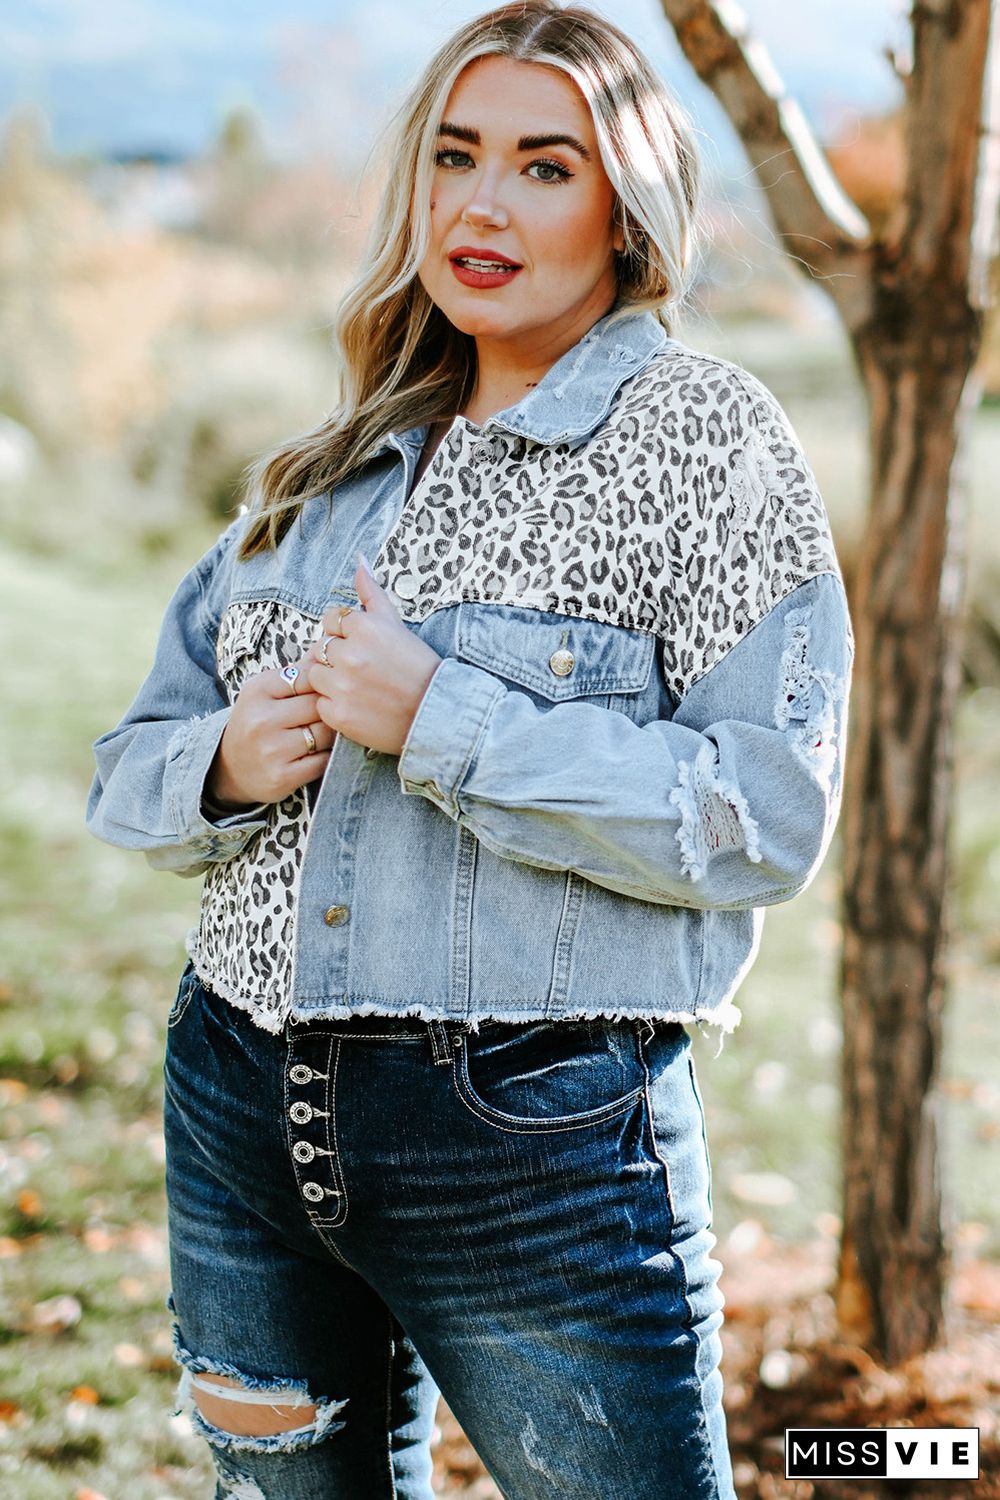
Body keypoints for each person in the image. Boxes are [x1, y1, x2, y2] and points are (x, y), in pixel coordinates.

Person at [86, 2, 854, 1496]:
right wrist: (231, 765)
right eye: (454, 156)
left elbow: (765, 814)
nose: (482, 205)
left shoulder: (708, 444)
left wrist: (447, 720)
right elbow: (130, 766)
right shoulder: (335, 461)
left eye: (544, 166)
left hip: (538, 1157)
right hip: (243, 1119)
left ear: (629, 210)